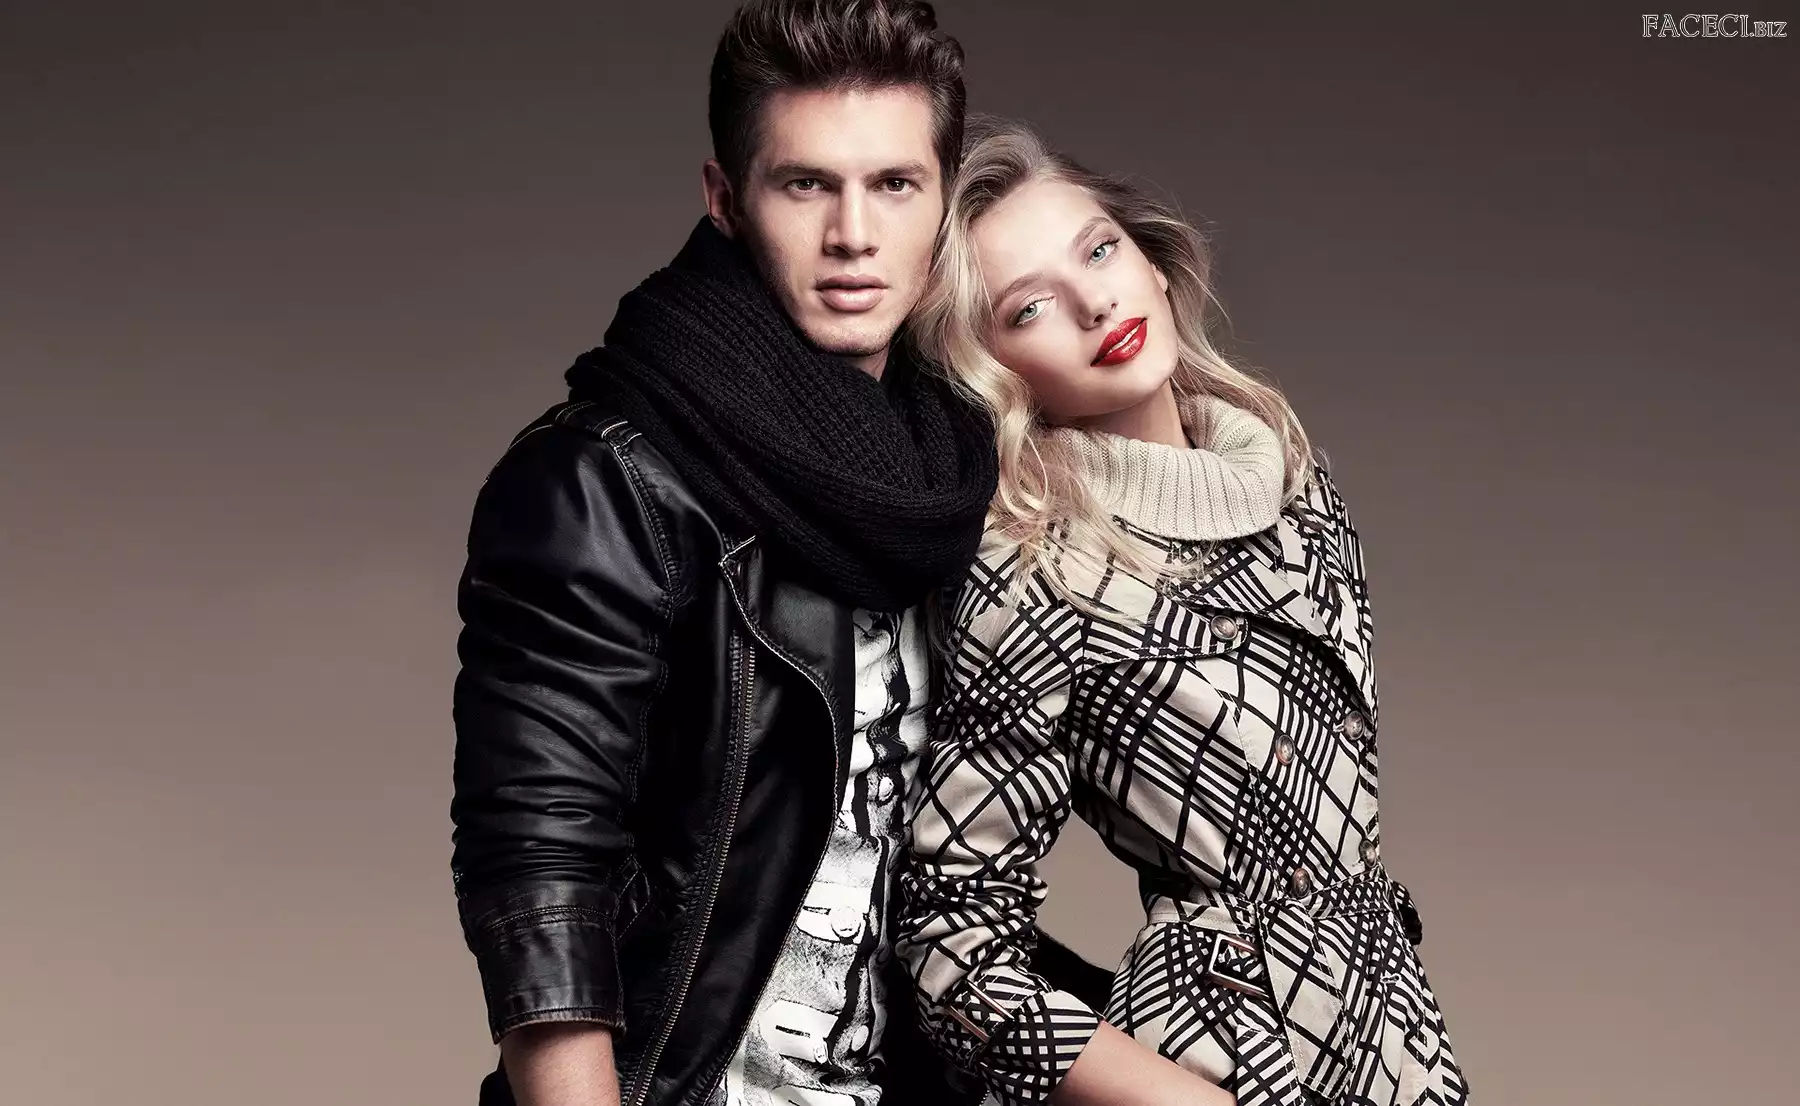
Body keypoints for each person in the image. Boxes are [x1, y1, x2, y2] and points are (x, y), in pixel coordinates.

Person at [448, 5, 1105, 1105]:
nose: (854, 234)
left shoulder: (949, 478)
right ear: (724, 198)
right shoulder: (602, 483)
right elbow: (541, 871)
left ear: (944, 202)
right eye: (805, 185)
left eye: (894, 184)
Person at [894, 122, 1471, 1106]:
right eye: (1030, 306)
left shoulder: (1298, 485)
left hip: (1393, 1041)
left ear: (1154, 266)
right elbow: (948, 943)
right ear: (993, 370)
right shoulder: (1033, 572)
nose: (1093, 303)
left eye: (1099, 251)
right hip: (1223, 1057)